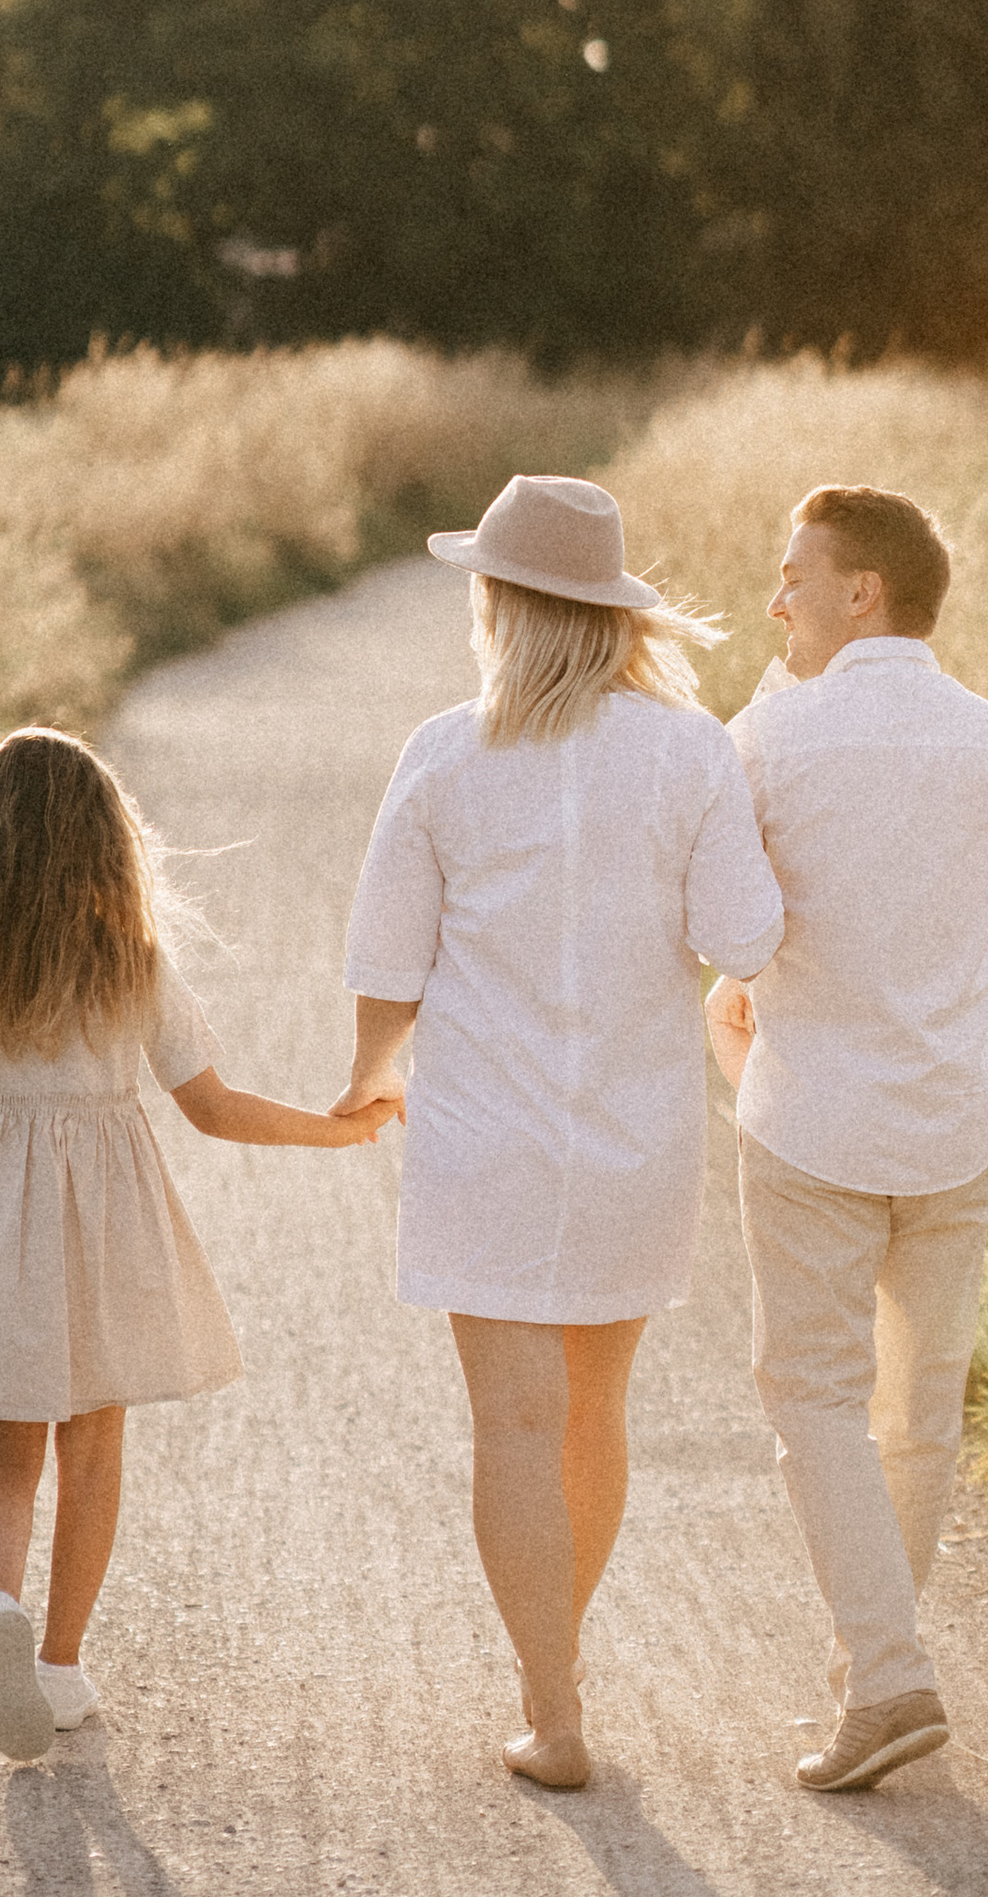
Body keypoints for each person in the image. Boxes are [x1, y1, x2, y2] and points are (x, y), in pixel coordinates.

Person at [333, 474, 785, 1791]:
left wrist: (369, 1078)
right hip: (635, 1143)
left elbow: (386, 960)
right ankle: (560, 1664)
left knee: (514, 1426)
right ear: (612, 617)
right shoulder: (692, 751)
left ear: (497, 605)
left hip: (487, 1143)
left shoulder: (443, 754)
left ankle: (553, 1698)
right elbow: (745, 936)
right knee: (593, 1412)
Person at [0, 725, 399, 1765]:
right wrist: (335, 1125)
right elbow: (212, 1109)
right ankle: (61, 1665)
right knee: (94, 1447)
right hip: (109, 1243)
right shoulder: (134, 970)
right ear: (107, 850)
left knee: (1, 1454)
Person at [704, 484, 988, 1795]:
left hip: (818, 1120)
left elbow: (735, 935)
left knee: (812, 1398)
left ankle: (888, 1677)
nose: (777, 599)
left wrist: (744, 998)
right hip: (957, 1115)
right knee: (921, 1411)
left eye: (797, 575)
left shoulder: (770, 738)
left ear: (867, 592)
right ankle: (877, 1667)